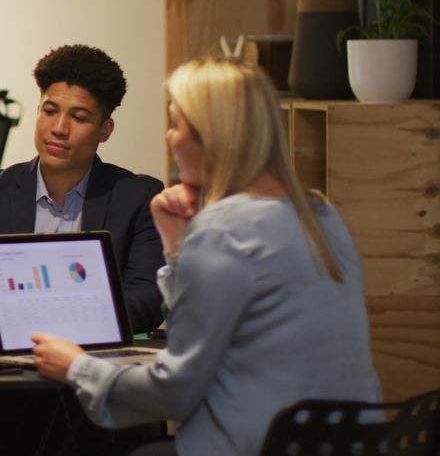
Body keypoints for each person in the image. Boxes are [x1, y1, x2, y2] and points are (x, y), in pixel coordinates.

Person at [32, 57, 382, 456]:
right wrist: (180, 251)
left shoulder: (222, 231)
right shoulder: (322, 215)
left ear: (211, 137)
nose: (169, 138)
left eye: (176, 124)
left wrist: (77, 366)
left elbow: (174, 391)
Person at [0, 44, 166, 455]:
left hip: (91, 374)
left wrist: (56, 322)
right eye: (50, 111)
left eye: (79, 117)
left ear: (105, 130)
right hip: (0, 379)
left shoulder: (136, 196)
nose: (59, 128)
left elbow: (148, 298)